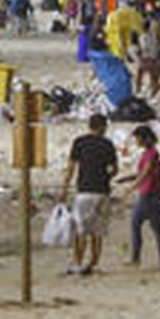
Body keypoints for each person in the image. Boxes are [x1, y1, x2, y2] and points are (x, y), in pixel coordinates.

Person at [61, 113, 118, 275]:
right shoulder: (108, 144)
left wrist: (64, 189)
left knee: (81, 230)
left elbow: (71, 168)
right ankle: (94, 263)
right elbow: (115, 169)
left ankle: (77, 262)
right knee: (98, 231)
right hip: (102, 191)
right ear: (103, 127)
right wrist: (105, 177)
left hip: (84, 191)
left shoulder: (79, 142)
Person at [119, 125, 160, 269]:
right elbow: (144, 173)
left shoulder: (152, 154)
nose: (136, 141)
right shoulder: (148, 153)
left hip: (149, 194)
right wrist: (127, 179)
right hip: (149, 194)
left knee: (138, 224)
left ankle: (137, 259)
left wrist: (131, 188)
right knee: (155, 227)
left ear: (145, 138)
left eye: (138, 138)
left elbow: (145, 173)